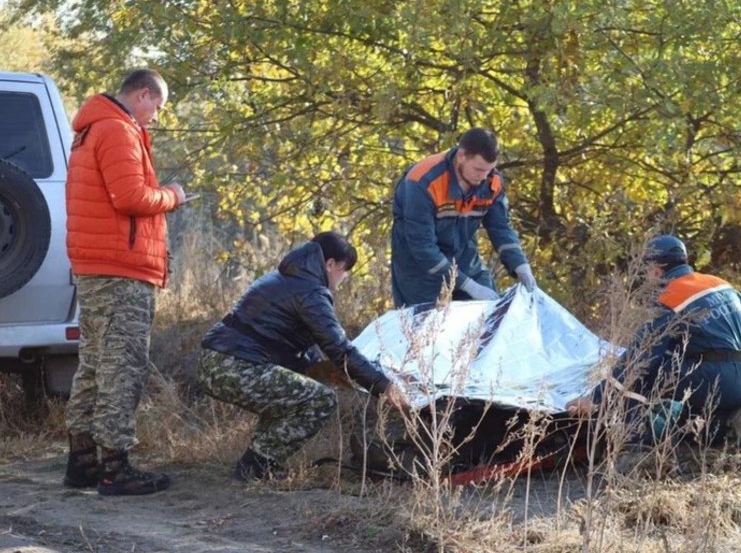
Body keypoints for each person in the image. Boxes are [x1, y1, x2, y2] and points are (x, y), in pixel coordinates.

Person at [196, 231, 410, 481]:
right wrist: (385, 388)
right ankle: (257, 465)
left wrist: (327, 370)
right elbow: (340, 349)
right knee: (320, 400)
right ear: (330, 264)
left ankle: (258, 463)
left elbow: (297, 344)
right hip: (235, 366)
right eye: (344, 269)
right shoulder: (311, 292)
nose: (345, 277)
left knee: (295, 393)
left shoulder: (290, 278)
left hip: (219, 362)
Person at [63, 68, 187, 496]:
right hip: (121, 271)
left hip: (96, 267)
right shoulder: (117, 130)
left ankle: (82, 462)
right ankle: (115, 468)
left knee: (95, 366)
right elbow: (132, 197)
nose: (156, 115)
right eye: (158, 105)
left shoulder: (91, 129)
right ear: (142, 94)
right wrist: (172, 195)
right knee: (122, 368)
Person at [566, 235, 741, 443]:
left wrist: (595, 399)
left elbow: (640, 358)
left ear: (656, 270)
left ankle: (637, 441)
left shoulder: (671, 297)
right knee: (693, 416)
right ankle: (731, 422)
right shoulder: (721, 284)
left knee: (648, 374)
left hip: (719, 380)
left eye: (646, 271)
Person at [390, 127, 536, 307]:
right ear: (461, 156)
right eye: (478, 169)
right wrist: (469, 286)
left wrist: (520, 266)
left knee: (488, 317)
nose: (483, 177)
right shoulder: (422, 181)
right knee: (427, 330)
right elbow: (422, 246)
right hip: (420, 273)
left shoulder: (492, 182)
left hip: (465, 261)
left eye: (489, 170)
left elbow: (501, 228)